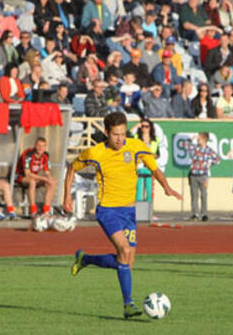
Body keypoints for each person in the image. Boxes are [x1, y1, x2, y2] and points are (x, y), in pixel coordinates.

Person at [64, 112, 181, 319]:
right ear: (107, 133)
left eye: (123, 134)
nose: (120, 139)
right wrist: (67, 198)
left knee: (126, 261)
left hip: (129, 211)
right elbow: (72, 168)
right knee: (125, 250)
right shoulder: (95, 152)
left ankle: (86, 259)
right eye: (116, 134)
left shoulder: (135, 146)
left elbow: (154, 169)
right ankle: (128, 304)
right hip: (108, 211)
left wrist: (167, 187)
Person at [15, 137, 56, 217]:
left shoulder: (46, 155)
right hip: (20, 176)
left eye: (43, 146)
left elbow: (47, 171)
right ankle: (33, 210)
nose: (41, 148)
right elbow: (27, 173)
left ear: (45, 147)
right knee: (32, 181)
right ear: (35, 146)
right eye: (39, 145)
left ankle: (46, 210)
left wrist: (49, 178)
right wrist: (43, 178)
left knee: (52, 182)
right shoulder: (28, 154)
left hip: (34, 177)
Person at [187, 132, 220, 221]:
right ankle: (195, 213)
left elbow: (217, 159)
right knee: (194, 195)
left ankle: (204, 213)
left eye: (200, 138)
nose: (198, 139)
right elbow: (185, 146)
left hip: (203, 175)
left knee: (204, 195)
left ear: (204, 139)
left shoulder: (209, 150)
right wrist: (191, 139)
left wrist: (209, 164)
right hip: (193, 174)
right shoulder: (195, 148)